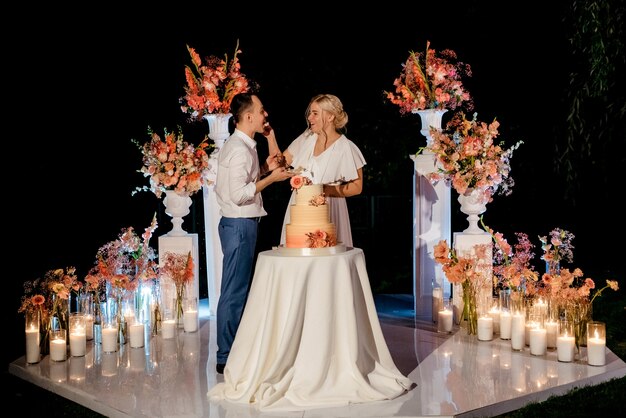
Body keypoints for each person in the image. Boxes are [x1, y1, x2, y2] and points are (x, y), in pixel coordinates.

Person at [214, 92, 292, 374]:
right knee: (233, 292)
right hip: (238, 226)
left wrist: (264, 169)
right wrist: (272, 178)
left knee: (238, 289)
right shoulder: (237, 147)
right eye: (261, 111)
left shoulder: (245, 145)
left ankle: (232, 351)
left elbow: (245, 181)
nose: (265, 115)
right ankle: (225, 356)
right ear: (248, 117)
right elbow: (238, 195)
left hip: (242, 225)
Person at [269, 93, 366, 247]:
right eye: (309, 114)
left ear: (330, 116)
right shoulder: (306, 138)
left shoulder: (345, 147)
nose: (309, 118)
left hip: (329, 207)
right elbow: (281, 163)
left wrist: (326, 190)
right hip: (300, 207)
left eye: (315, 113)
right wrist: (270, 137)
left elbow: (357, 186)